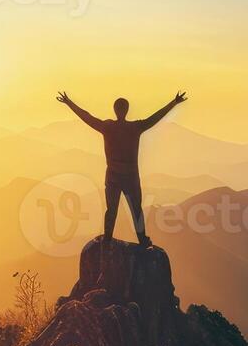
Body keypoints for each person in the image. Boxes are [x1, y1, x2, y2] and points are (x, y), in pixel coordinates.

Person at [56, 91, 187, 246]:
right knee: (136, 210)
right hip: (131, 176)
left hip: (113, 176)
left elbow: (87, 117)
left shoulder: (108, 127)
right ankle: (142, 240)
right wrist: (173, 102)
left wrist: (69, 102)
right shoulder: (135, 127)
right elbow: (155, 118)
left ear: (115, 110)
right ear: (127, 110)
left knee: (111, 210)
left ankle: (108, 238)